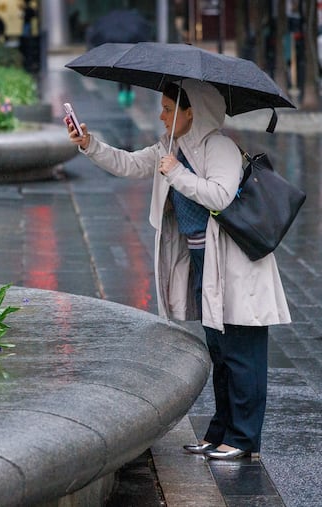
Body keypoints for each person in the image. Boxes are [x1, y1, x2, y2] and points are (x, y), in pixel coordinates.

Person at [65, 79, 291, 460]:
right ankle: (220, 432)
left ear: (193, 113)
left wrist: (176, 174)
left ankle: (242, 439)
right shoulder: (172, 147)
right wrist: (89, 144)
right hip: (206, 261)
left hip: (236, 266)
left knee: (241, 353)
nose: (162, 114)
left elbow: (220, 195)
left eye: (169, 108)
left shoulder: (218, 147)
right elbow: (130, 164)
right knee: (219, 351)